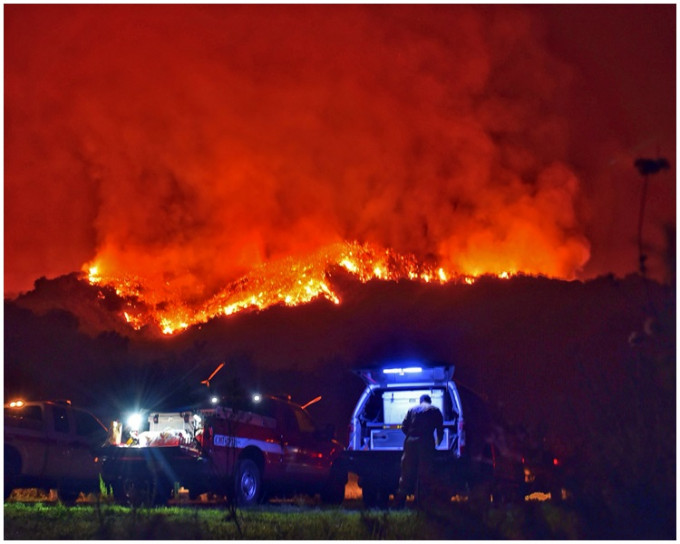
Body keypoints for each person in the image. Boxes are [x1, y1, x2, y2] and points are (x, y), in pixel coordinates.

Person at [393, 394, 444, 508]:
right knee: (425, 471)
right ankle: (421, 501)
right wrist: (437, 442)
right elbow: (440, 429)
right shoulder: (435, 410)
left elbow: (403, 427)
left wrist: (411, 436)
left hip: (410, 442)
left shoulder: (412, 409)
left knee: (406, 470)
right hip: (426, 442)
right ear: (429, 401)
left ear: (420, 401)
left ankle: (400, 503)